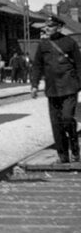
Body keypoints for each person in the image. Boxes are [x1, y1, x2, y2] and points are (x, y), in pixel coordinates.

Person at [30, 13, 81, 164]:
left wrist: (80, 84)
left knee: (67, 119)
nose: (47, 28)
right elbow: (37, 66)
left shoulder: (69, 43)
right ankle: (63, 156)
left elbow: (79, 65)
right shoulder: (43, 45)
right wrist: (34, 85)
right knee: (56, 125)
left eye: (51, 26)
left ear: (59, 27)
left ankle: (75, 149)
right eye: (46, 26)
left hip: (69, 88)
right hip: (52, 89)